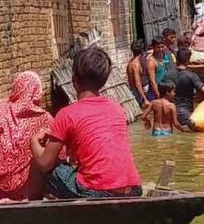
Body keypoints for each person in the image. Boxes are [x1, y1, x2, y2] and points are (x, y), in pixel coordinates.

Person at [31, 47, 142, 199]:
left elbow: (45, 163)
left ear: (74, 81)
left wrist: (33, 142)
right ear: (103, 82)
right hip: (134, 188)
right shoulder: (117, 109)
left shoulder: (66, 114)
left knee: (52, 171)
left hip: (97, 192)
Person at [0, 72, 54, 203]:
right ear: (37, 91)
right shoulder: (43, 118)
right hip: (19, 186)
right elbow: (58, 152)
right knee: (46, 158)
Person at [126, 40, 149, 107]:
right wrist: (145, 99)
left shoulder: (131, 62)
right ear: (142, 51)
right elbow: (138, 84)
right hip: (137, 94)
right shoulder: (136, 65)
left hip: (134, 92)